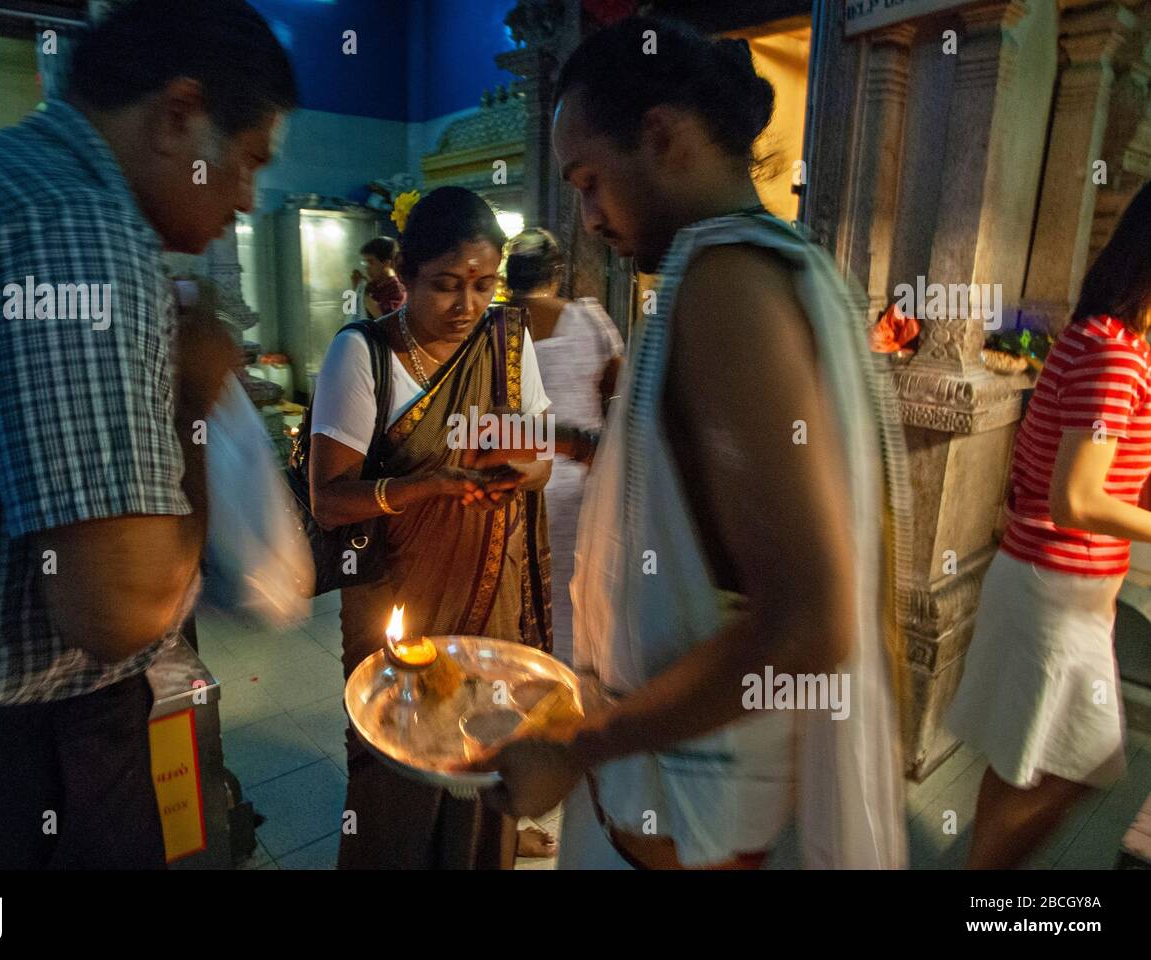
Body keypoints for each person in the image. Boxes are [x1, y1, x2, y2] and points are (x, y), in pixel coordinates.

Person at [0, 0, 295, 869]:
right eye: (246, 162)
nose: (244, 200)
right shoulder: (74, 230)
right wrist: (192, 399)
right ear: (177, 116)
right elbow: (117, 608)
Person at [466, 17, 909, 870]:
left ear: (662, 136)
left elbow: (809, 626)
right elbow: (697, 507)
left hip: (688, 810)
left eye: (591, 182)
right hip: (681, 801)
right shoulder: (756, 267)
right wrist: (573, 440)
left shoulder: (724, 282)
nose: (589, 218)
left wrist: (578, 745)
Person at [308, 186, 554, 869]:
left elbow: (539, 462)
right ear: (404, 277)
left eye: (483, 285)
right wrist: (429, 487)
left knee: (482, 755)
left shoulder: (506, 343)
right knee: (396, 770)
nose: (467, 305)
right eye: (446, 285)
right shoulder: (361, 355)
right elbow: (329, 501)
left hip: (488, 592)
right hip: (398, 596)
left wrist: (514, 472)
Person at [944, 182, 1151, 869]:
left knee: (1031, 763)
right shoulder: (1114, 354)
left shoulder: (1105, 342)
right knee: (1066, 764)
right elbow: (1077, 499)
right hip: (1055, 592)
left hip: (1058, 590)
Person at [505, 227, 622, 670]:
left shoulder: (494, 326)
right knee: (574, 593)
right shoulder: (588, 319)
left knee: (519, 595)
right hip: (580, 485)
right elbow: (618, 390)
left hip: (514, 480)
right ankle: (570, 685)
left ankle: (520, 678)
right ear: (557, 272)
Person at [350, 236, 408, 319]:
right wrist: (355, 289)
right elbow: (350, 311)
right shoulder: (371, 285)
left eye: (371, 262)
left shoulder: (396, 289)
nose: (367, 267)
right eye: (365, 262)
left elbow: (383, 317)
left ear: (386, 264)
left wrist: (363, 294)